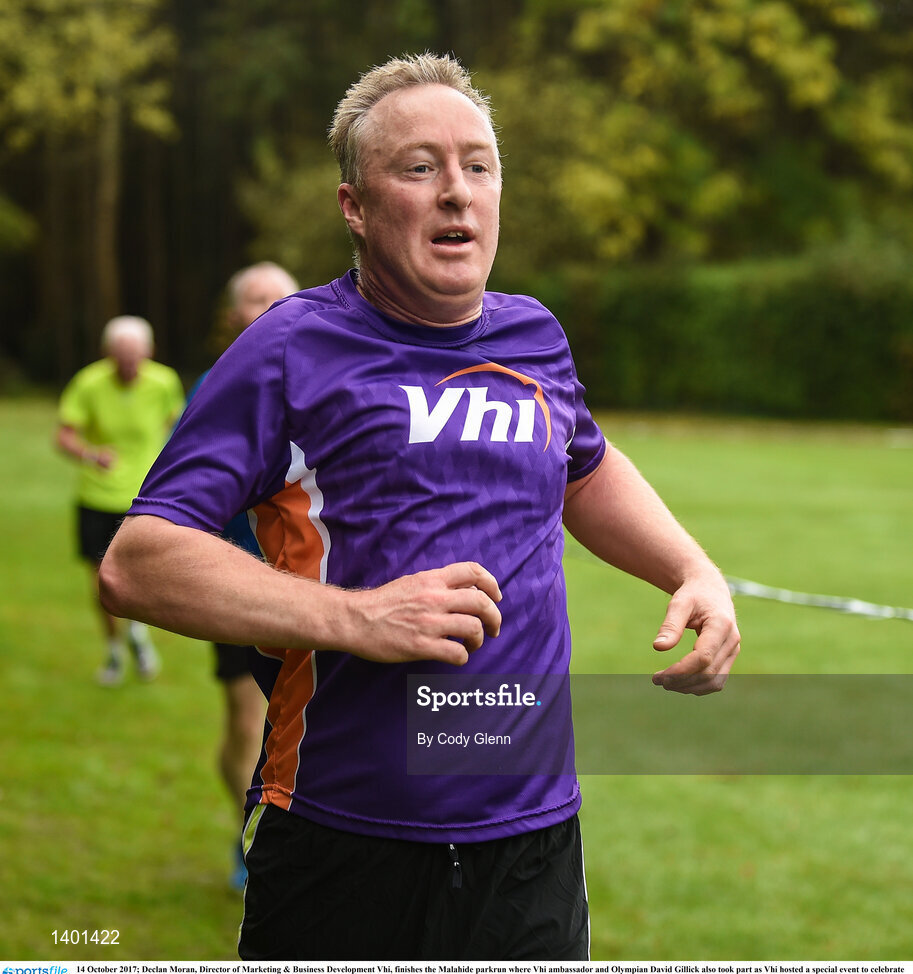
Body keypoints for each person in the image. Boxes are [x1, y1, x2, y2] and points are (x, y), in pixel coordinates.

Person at [99, 54, 740, 960]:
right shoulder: (291, 347)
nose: (456, 194)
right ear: (354, 207)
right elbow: (139, 560)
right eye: (418, 167)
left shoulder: (534, 336)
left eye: (477, 166)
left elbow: (584, 468)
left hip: (530, 843)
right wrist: (355, 617)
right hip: (341, 837)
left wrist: (691, 569)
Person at [192, 261, 300, 890]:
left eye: (277, 299)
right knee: (245, 714)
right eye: (254, 300)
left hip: (323, 584)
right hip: (239, 579)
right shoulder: (214, 385)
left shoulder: (335, 377)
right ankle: (247, 834)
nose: (265, 309)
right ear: (235, 314)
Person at [57, 315, 184, 686]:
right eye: (120, 357)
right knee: (102, 583)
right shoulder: (89, 382)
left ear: (149, 352)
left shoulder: (164, 382)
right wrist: (90, 454)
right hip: (96, 495)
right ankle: (114, 650)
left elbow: (177, 425)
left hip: (145, 497)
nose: (128, 365)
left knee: (143, 577)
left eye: (134, 357)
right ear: (106, 353)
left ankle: (138, 635)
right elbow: (63, 435)